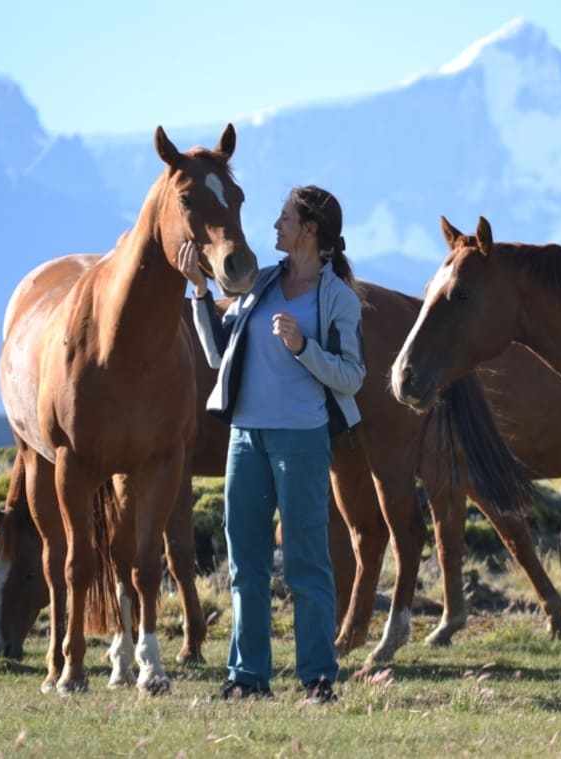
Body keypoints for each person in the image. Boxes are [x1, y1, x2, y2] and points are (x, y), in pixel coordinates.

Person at [176, 185, 365, 704]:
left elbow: (352, 376)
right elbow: (218, 354)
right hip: (245, 439)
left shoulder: (338, 299)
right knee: (246, 563)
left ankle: (318, 679)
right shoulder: (258, 284)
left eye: (285, 219)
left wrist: (303, 347)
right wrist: (199, 291)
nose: (275, 226)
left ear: (310, 230)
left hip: (302, 441)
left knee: (307, 563)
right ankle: (247, 677)